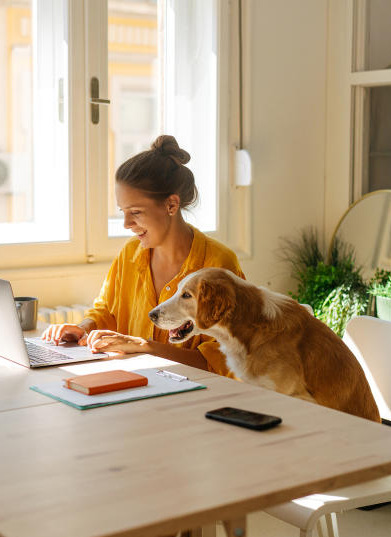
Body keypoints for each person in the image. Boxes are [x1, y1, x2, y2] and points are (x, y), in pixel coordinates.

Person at [40, 135, 244, 376]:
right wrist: (82, 328)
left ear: (171, 205)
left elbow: (222, 363)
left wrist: (146, 348)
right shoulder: (130, 254)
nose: (126, 223)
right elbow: (107, 312)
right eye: (123, 212)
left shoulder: (218, 265)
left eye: (135, 212)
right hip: (133, 385)